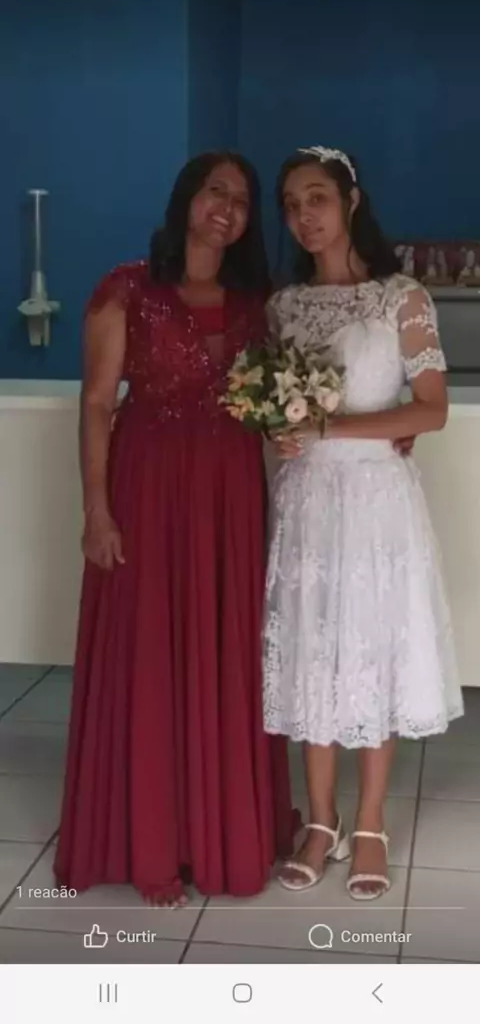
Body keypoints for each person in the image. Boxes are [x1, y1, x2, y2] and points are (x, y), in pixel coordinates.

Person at [53, 151, 298, 908]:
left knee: (225, 649)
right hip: (149, 491)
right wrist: (96, 509)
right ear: (186, 199)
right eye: (215, 191)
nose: (228, 207)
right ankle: (152, 838)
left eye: (242, 199)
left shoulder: (256, 303)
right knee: (151, 653)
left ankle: (222, 834)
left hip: (230, 497)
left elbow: (275, 405)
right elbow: (98, 403)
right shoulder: (126, 288)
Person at [262, 145, 463, 901]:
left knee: (372, 652)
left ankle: (371, 821)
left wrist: (331, 429)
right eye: (291, 204)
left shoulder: (401, 297)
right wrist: (278, 433)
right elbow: (271, 412)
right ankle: (322, 820)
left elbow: (431, 410)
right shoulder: (284, 306)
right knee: (314, 652)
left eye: (316, 197)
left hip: (377, 502)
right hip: (308, 502)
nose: (303, 216)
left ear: (351, 200)